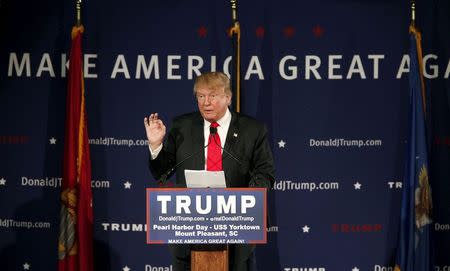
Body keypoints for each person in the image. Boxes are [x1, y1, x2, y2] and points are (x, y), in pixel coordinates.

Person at [144, 71, 275, 271]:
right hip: (189, 230)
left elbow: (265, 172)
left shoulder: (252, 129)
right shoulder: (182, 126)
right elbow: (162, 171)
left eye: (212, 96)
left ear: (228, 97)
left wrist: (247, 199)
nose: (206, 102)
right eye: (201, 96)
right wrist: (156, 145)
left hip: (236, 229)